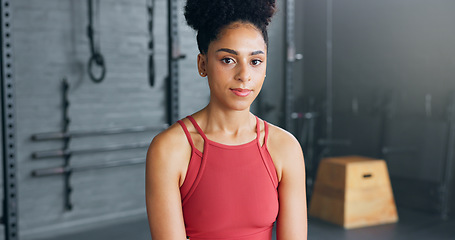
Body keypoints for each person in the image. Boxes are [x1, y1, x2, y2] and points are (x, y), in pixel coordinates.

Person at [145, 0, 307, 239]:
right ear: (203, 64)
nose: (244, 76)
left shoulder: (285, 148)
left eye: (255, 61)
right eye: (228, 60)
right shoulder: (169, 149)